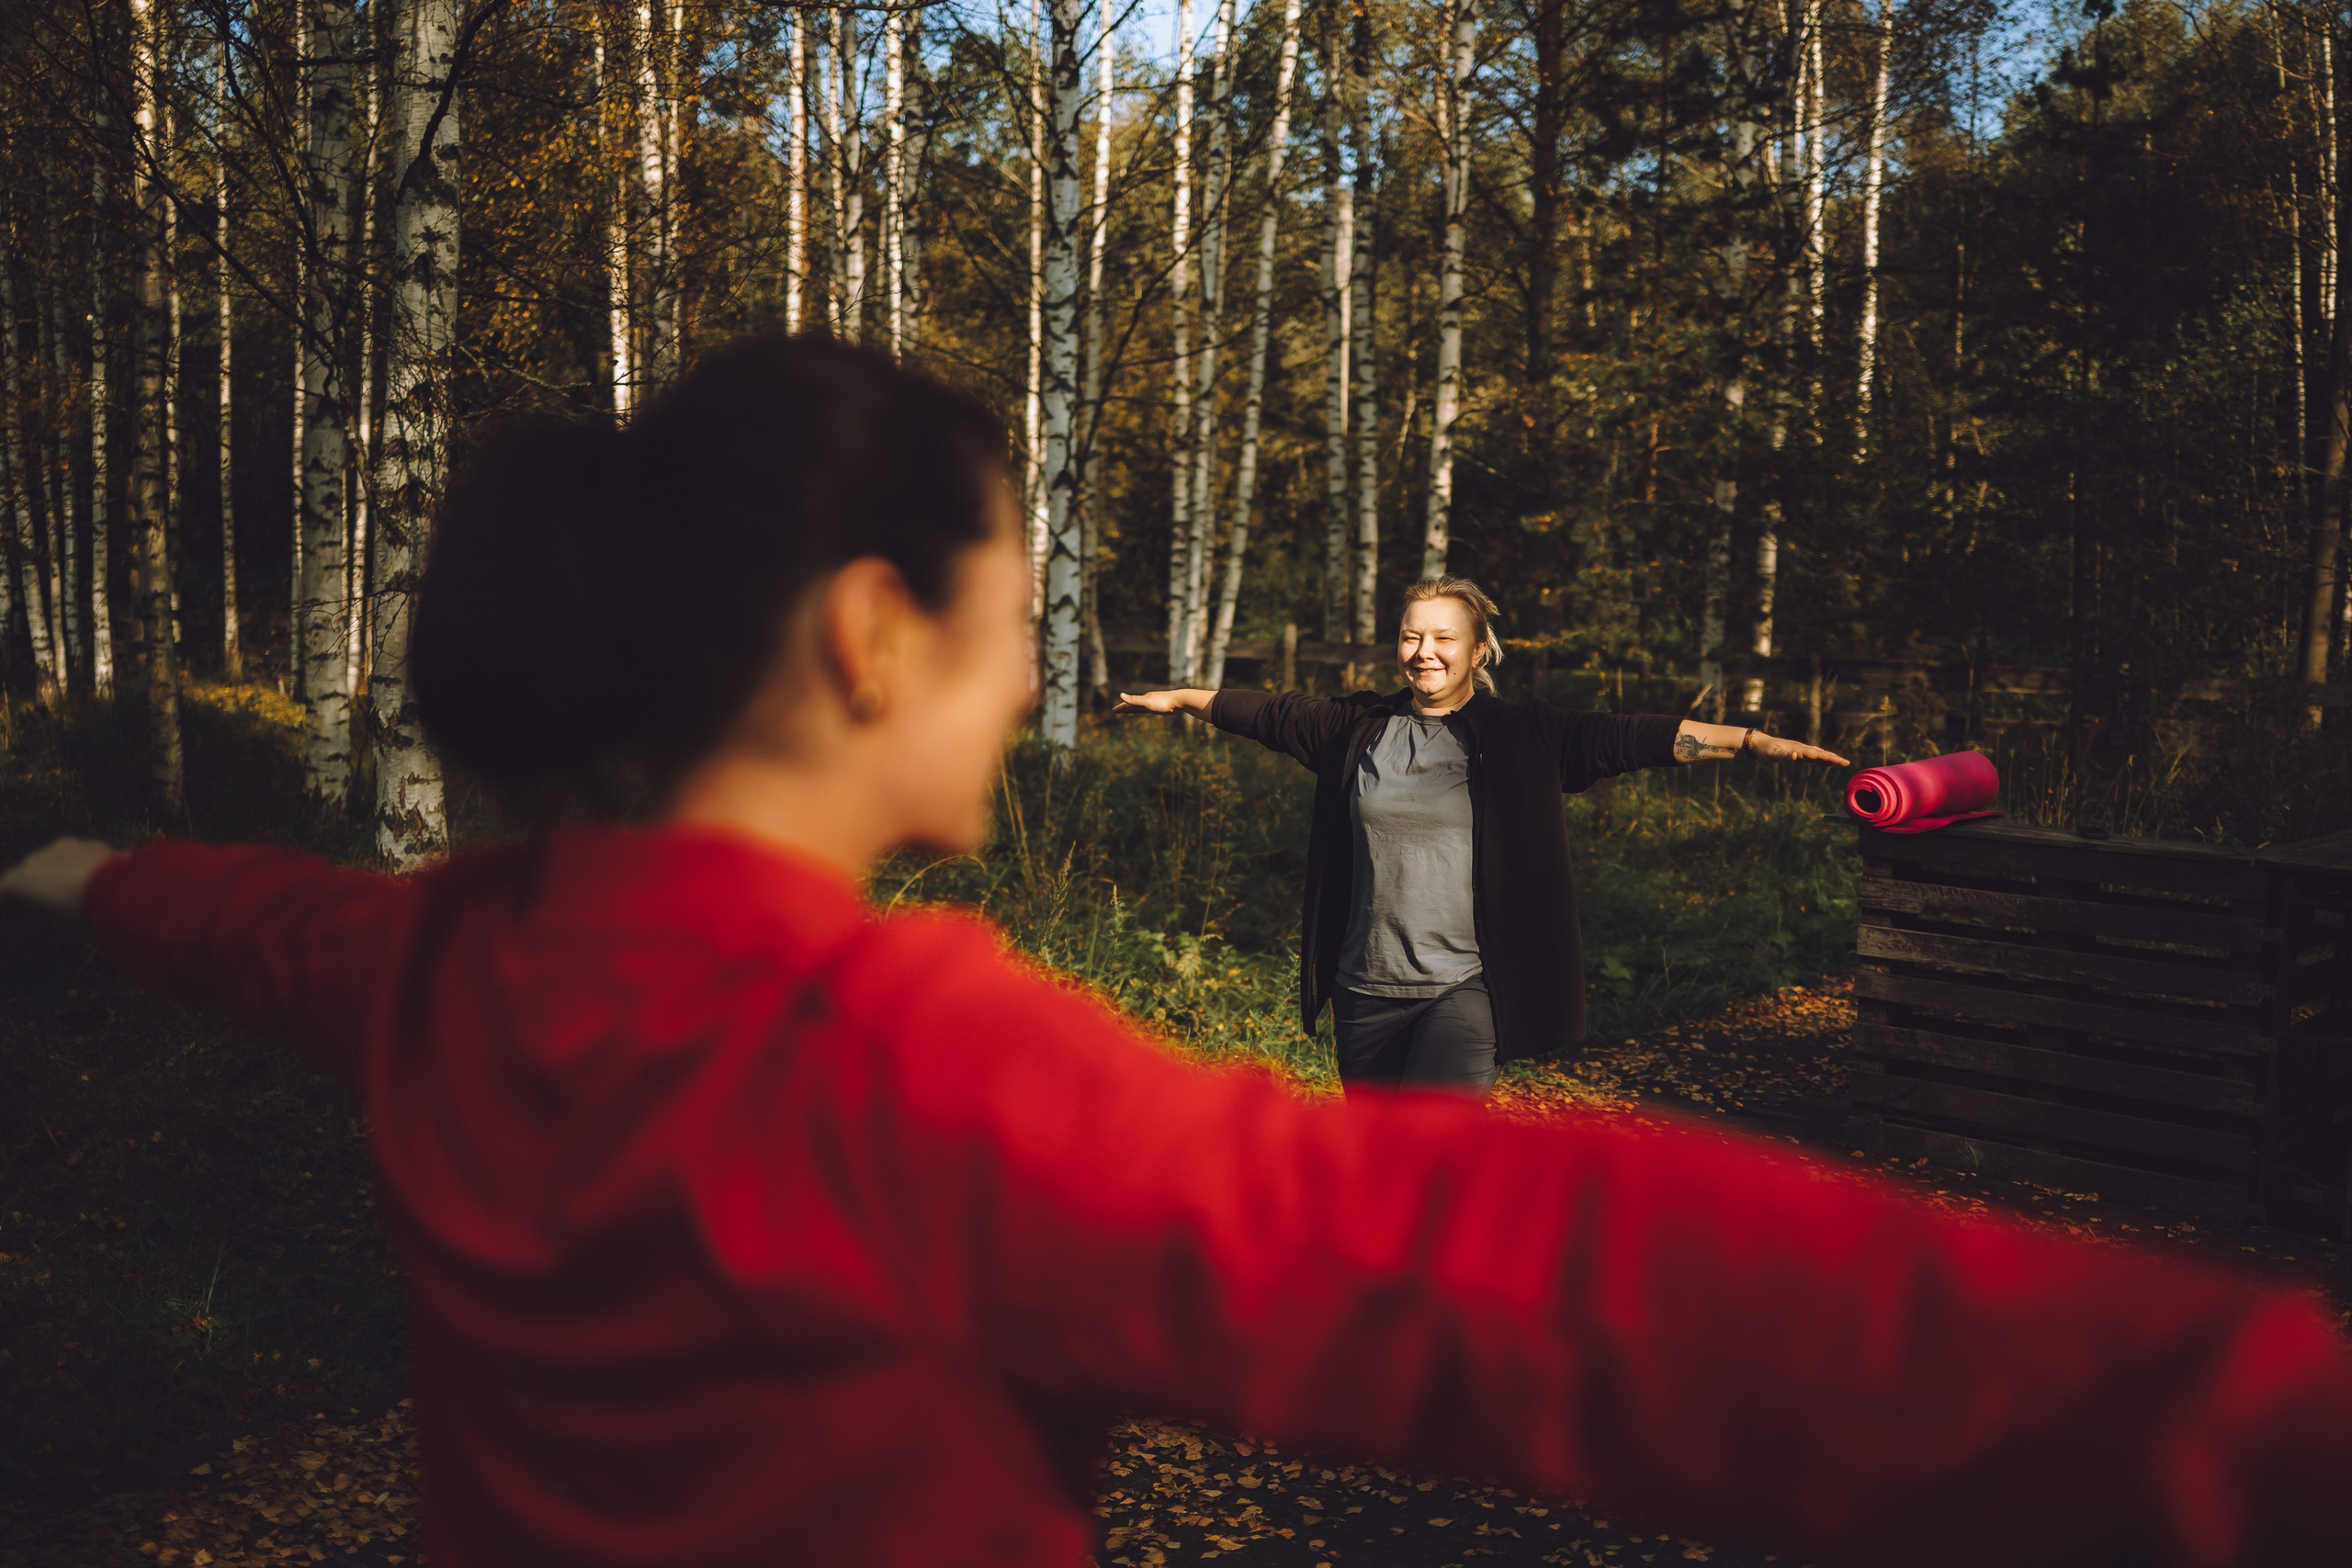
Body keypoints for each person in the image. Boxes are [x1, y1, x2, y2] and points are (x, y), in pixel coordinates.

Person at [5, 335, 2349, 1568]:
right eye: (1010, 622)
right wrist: (2246, 1424)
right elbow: (1562, 1270)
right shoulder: (898, 1067)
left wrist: (54, 865)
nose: (1026, 682)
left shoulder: (442, 960)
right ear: (863, 636)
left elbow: (226, 913)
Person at [1117, 581, 1848, 1095]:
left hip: (1463, 989)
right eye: (1411, 635)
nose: (1424, 651)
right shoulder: (1355, 727)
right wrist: (1181, 698)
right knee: (1376, 1162)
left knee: (1437, 1159)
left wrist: (1750, 740)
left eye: (1443, 638)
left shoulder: (1524, 735)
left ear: (1477, 650)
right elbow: (1266, 711)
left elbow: (1640, 737)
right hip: (1363, 987)